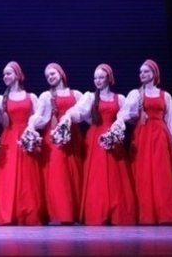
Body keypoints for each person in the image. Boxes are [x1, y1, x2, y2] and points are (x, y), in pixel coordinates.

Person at [58, 63, 136, 225]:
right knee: (97, 175)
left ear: (109, 78)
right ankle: (98, 212)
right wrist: (68, 117)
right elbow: (79, 112)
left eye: (101, 77)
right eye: (95, 78)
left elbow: (127, 116)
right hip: (95, 138)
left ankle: (118, 213)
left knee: (115, 175)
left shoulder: (120, 98)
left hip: (113, 137)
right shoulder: (91, 97)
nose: (98, 81)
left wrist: (117, 128)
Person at [126, 59, 172, 224]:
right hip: (143, 135)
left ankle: (166, 214)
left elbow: (170, 118)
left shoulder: (165, 95)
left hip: (160, 136)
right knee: (143, 173)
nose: (142, 74)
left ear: (154, 74)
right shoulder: (136, 94)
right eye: (141, 72)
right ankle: (146, 215)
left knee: (161, 173)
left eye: (146, 71)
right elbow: (127, 115)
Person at [0, 61, 47, 225]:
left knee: (28, 176)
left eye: (8, 73)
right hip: (9, 139)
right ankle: (7, 214)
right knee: (8, 176)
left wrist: (32, 129)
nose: (5, 77)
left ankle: (28, 213)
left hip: (25, 138)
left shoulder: (31, 97)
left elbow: (39, 117)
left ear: (17, 75)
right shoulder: (0, 99)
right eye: (4, 74)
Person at [38, 63, 83, 225]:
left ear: (61, 73)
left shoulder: (76, 94)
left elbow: (83, 113)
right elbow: (41, 117)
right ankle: (60, 213)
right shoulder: (45, 96)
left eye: (53, 74)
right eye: (47, 76)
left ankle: (74, 212)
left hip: (72, 135)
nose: (50, 77)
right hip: (53, 136)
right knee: (57, 173)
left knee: (73, 171)